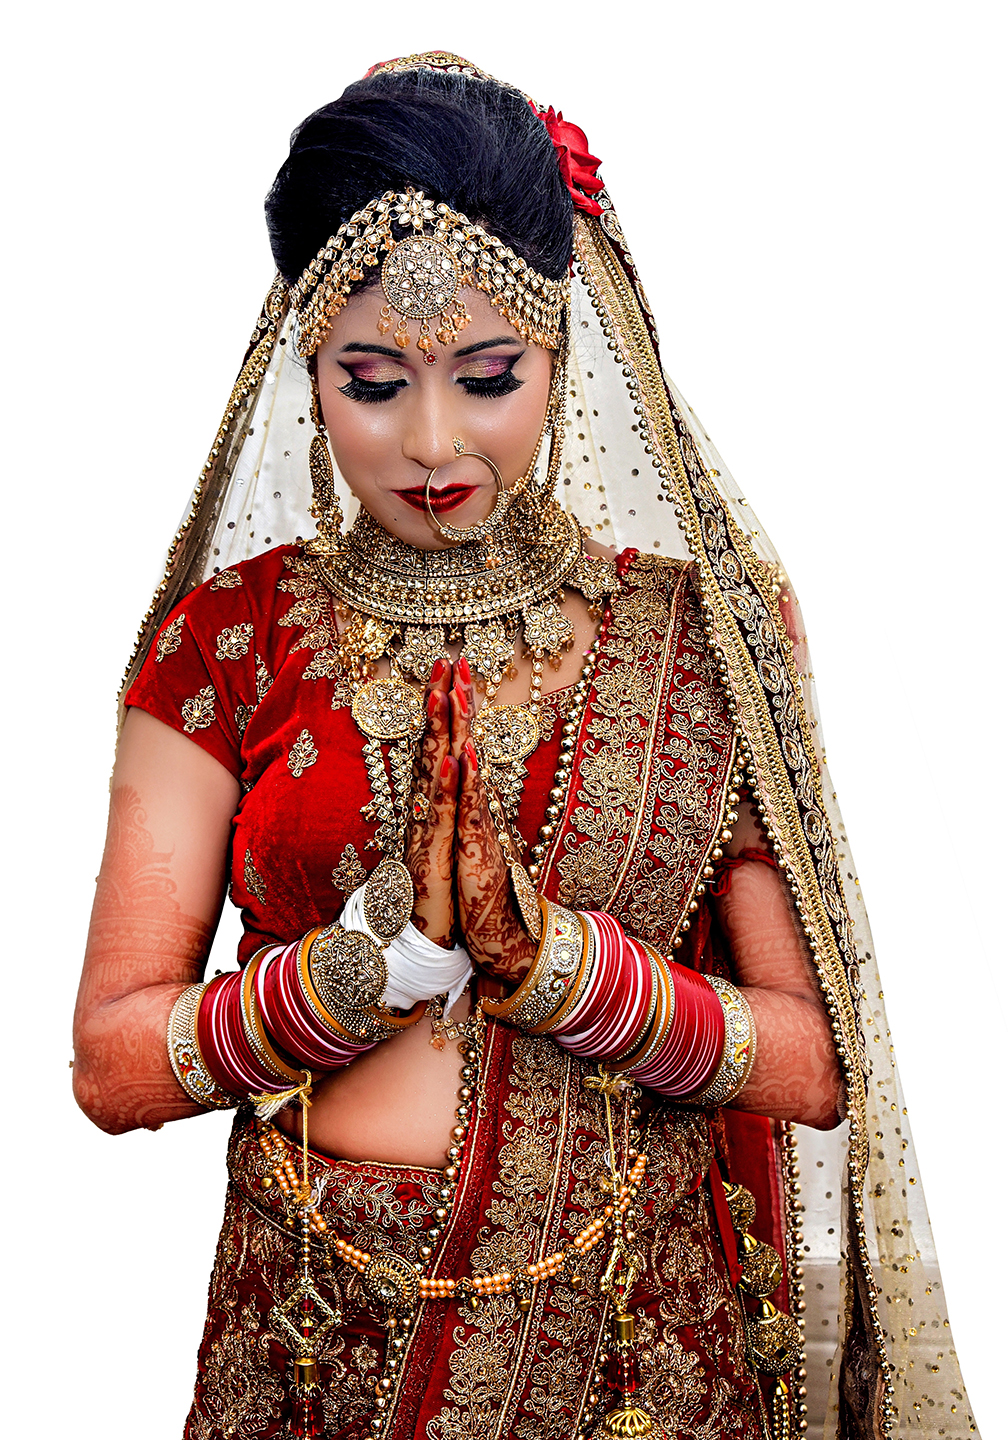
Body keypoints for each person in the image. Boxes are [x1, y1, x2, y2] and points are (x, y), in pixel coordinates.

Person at [71, 52, 975, 1440]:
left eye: (489, 376)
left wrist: (552, 965)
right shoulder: (225, 642)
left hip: (633, 1350)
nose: (433, 439)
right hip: (312, 1351)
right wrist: (363, 970)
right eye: (374, 380)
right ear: (306, 366)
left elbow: (813, 1062)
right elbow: (111, 1065)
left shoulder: (699, 637)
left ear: (562, 346)